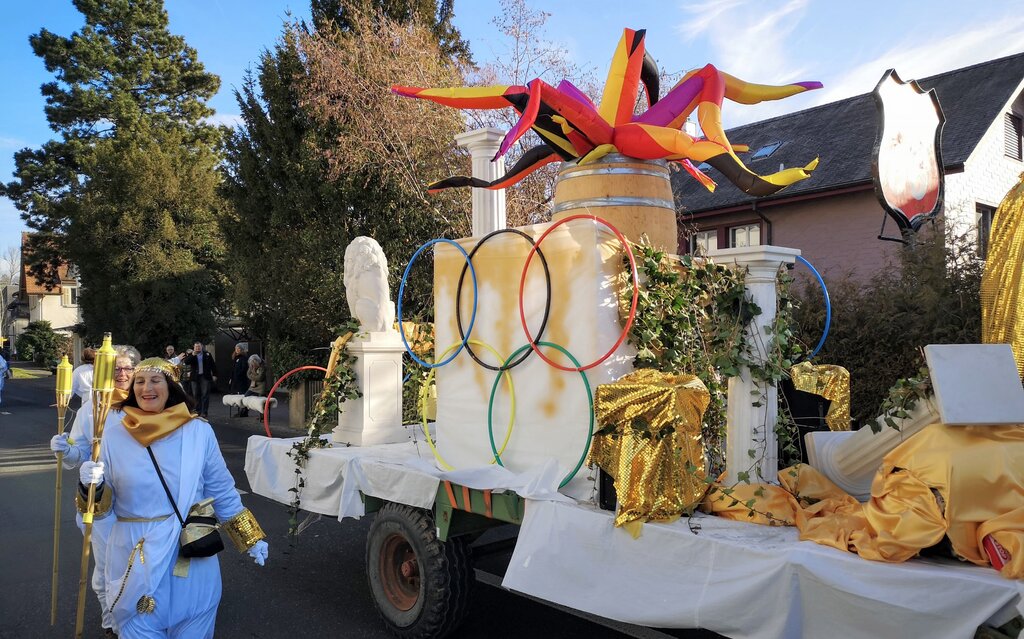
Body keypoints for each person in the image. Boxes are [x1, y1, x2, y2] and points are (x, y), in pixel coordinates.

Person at [78, 358, 267, 637]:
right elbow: (100, 510)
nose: (147, 388)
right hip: (134, 554)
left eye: (156, 380)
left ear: (171, 388)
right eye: (139, 381)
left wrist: (251, 538)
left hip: (188, 551)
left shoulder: (198, 431)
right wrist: (89, 487)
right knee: (138, 628)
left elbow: (222, 490)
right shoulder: (112, 435)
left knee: (194, 624)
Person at [50, 345, 140, 637]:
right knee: (106, 571)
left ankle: (143, 621)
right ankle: (112, 624)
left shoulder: (151, 403)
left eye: (128, 368)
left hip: (145, 504)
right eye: (116, 369)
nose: (123, 374)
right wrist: (66, 450)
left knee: (142, 570)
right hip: (102, 502)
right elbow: (77, 453)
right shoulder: (92, 406)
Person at [183, 342, 216, 419]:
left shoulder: (207, 354)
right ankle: (198, 411)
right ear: (194, 347)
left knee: (205, 394)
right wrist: (193, 355)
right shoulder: (191, 355)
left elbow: (213, 365)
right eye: (196, 347)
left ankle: (204, 412)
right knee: (196, 395)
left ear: (202, 347)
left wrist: (215, 374)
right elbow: (186, 362)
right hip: (195, 377)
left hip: (205, 377)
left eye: (199, 347)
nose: (198, 348)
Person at [229, 344, 249, 416]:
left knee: (243, 395)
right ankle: (240, 410)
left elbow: (244, 369)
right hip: (235, 380)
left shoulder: (244, 358)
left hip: (241, 380)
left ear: (241, 349)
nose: (237, 350)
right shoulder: (235, 358)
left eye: (239, 348)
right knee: (237, 395)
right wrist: (231, 378)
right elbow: (233, 370)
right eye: (236, 348)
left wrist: (238, 375)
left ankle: (244, 411)